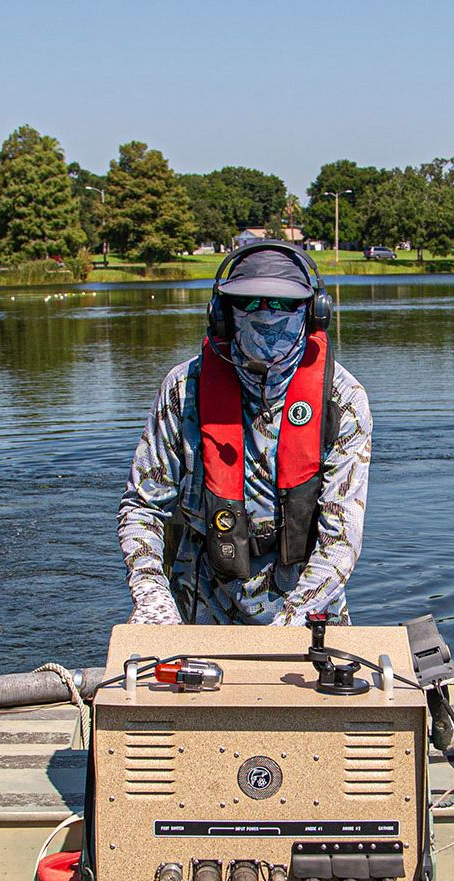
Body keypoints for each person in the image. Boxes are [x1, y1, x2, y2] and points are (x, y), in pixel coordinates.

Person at [117, 241, 372, 625]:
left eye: (285, 304)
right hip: (202, 603)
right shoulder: (184, 389)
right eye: (250, 302)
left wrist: (290, 623)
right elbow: (142, 508)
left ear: (314, 313)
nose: (267, 314)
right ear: (222, 313)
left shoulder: (343, 400)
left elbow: (342, 538)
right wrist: (152, 595)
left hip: (308, 608)